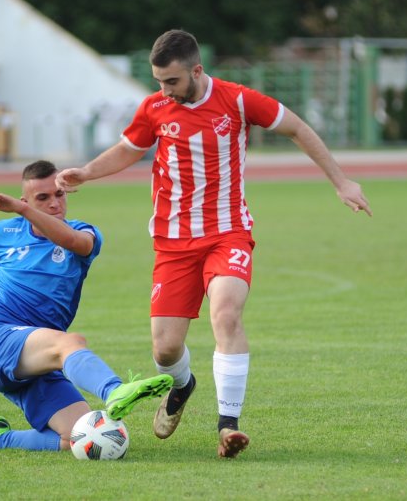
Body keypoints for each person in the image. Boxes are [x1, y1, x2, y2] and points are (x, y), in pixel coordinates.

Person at [56, 29, 372, 458]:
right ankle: (183, 385)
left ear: (196, 70)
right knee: (165, 349)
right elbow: (130, 148)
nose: (163, 89)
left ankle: (228, 425)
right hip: (173, 242)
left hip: (228, 233)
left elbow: (297, 128)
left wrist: (341, 181)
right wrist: (87, 172)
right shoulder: (155, 107)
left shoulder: (238, 100)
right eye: (158, 81)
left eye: (171, 81)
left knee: (226, 314)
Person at [0, 160, 173, 452]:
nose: (54, 203)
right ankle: (115, 390)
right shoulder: (2, 234)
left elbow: (72, 241)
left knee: (78, 436)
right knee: (71, 342)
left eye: (59, 194)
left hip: (41, 358)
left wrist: (24, 210)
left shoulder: (85, 232)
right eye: (42, 198)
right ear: (24, 201)